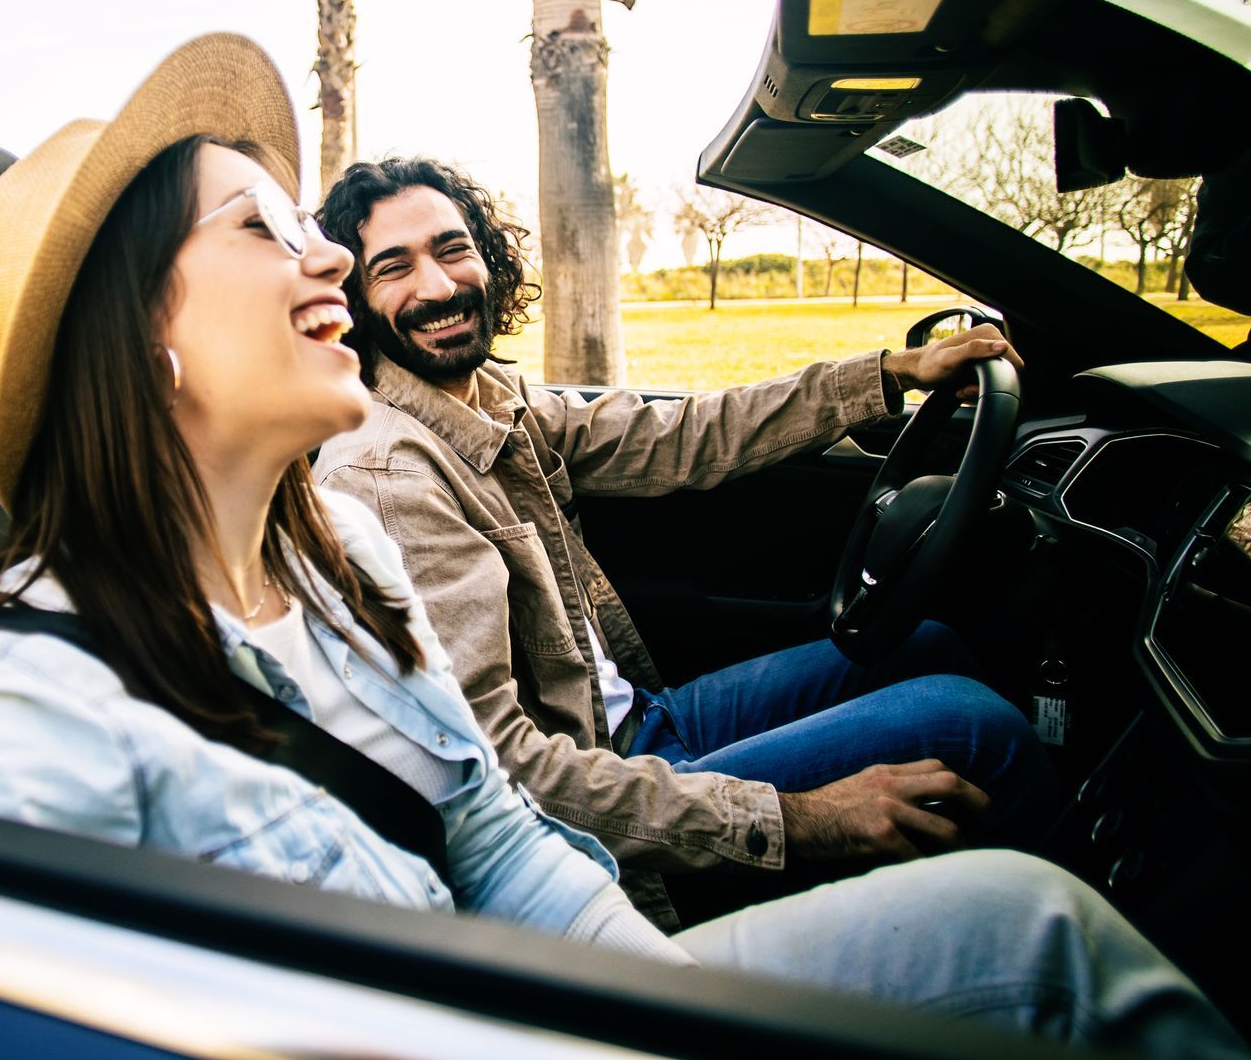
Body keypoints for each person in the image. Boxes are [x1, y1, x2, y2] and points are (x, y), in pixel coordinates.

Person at [0, 33, 1240, 1053]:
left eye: (332, 233)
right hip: (549, 921)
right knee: (1028, 916)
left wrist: (664, 989)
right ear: (144, 335)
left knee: (956, 721)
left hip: (577, 952)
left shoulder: (337, 547)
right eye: (267, 231)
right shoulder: (18, 695)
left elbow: (497, 829)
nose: (341, 266)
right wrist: (791, 832)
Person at [312, 156, 1062, 926]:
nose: (436, 286)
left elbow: (682, 435)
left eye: (452, 248)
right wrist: (802, 819)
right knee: (975, 727)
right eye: (394, 267)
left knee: (927, 645)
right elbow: (504, 777)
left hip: (642, 722)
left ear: (487, 258)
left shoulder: (493, 400)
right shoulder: (387, 480)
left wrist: (891, 372)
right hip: (608, 803)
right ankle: (1064, 945)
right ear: (354, 301)